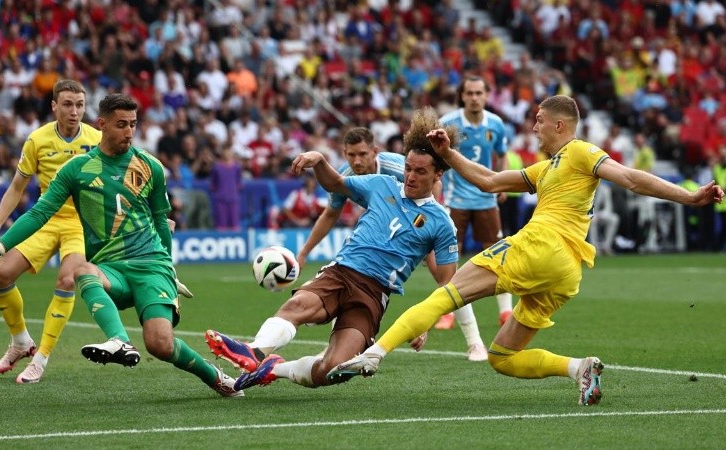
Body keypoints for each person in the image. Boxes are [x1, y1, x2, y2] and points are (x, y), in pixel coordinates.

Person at [329, 95, 724, 406]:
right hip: (566, 272)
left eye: (538, 119)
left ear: (558, 124)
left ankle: (375, 353)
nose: (532, 126)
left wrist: (689, 197)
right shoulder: (548, 167)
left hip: (541, 245)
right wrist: (447, 153)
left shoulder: (581, 151)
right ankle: (579, 368)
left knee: (447, 293)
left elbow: (630, 178)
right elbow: (488, 180)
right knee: (503, 356)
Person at [0, 94, 242, 398]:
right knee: (83, 271)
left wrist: (170, 270)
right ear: (101, 124)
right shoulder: (76, 170)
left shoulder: (150, 166)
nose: (129, 131)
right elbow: (39, 213)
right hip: (111, 269)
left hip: (151, 266)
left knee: (160, 344)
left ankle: (216, 377)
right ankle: (119, 340)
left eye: (133, 125)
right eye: (121, 125)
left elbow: (161, 221)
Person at [203, 107, 460, 391]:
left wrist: (424, 321)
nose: (410, 176)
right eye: (408, 168)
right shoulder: (382, 184)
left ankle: (275, 368)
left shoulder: (442, 223)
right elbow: (336, 184)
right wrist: (320, 161)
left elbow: (447, 281)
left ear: (438, 174)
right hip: (343, 272)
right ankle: (255, 351)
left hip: (374, 295)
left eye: (420, 172)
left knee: (334, 369)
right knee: (298, 305)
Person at [295, 126, 488, 361]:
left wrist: (429, 226)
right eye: (351, 155)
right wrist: (304, 252)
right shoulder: (346, 175)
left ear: (374, 152)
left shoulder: (398, 167)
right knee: (351, 272)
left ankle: (475, 342)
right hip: (388, 231)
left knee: (445, 278)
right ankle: (334, 347)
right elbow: (330, 214)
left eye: (363, 154)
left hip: (423, 221)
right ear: (344, 154)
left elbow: (433, 183)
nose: (357, 161)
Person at [0, 80, 102, 384]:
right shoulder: (37, 140)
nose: (74, 111)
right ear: (54, 106)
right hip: (45, 220)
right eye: (68, 104)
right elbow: (17, 186)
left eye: (80, 105)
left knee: (68, 278)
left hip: (80, 224)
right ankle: (20, 341)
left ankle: (40, 359)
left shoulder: (98, 140)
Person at [433, 76, 513, 342]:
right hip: (455, 200)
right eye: (470, 93)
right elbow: (437, 158)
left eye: (479, 92)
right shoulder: (448, 122)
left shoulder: (496, 124)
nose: (475, 97)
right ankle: (448, 311)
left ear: (487, 95)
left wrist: (501, 181)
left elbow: (500, 154)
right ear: (463, 95)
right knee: (447, 256)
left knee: (498, 255)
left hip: (486, 199)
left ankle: (505, 311)